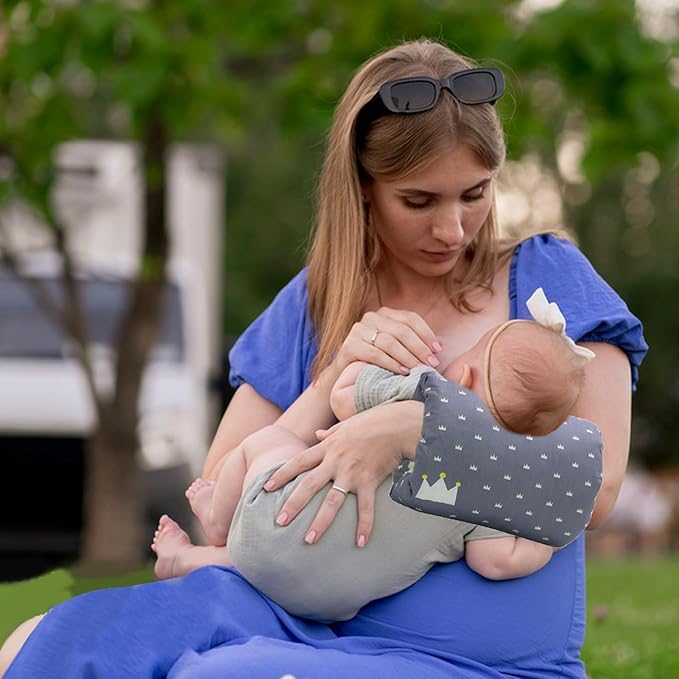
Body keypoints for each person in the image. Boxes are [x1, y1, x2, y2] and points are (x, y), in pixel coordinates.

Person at [0, 38, 647, 679]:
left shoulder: (542, 279)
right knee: (50, 638)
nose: (452, 229)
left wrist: (413, 431)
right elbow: (223, 486)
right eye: (419, 201)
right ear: (362, 187)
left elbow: (594, 485)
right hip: (294, 622)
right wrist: (334, 378)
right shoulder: (317, 302)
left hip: (471, 662)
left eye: (473, 194)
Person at [150, 287, 595, 623]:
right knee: (306, 550)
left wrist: (374, 367)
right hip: (336, 600)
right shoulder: (488, 496)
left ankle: (217, 518)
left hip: (275, 524)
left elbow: (344, 395)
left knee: (265, 446)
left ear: (467, 371)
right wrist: (544, 538)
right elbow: (495, 562)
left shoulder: (424, 390)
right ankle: (190, 560)